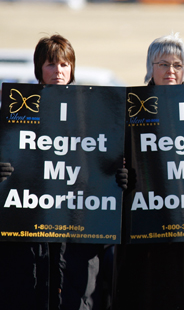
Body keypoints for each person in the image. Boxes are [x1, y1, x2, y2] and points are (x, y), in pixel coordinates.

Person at [0, 34, 123, 310]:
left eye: (65, 65)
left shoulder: (93, 114)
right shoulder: (16, 112)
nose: (59, 71)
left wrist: (118, 178)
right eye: (51, 64)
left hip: (78, 231)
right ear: (38, 70)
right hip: (30, 233)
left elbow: (105, 161)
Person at [114, 33, 184, 310]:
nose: (171, 71)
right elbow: (114, 152)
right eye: (163, 63)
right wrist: (119, 175)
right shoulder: (132, 107)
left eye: (178, 65)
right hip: (144, 220)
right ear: (150, 67)